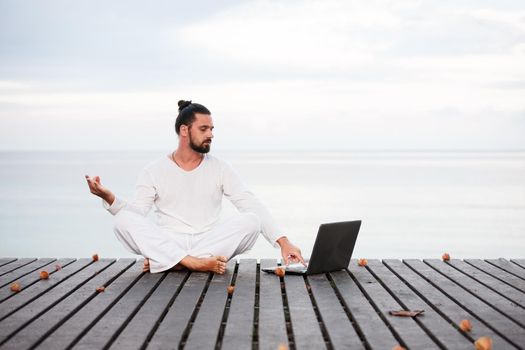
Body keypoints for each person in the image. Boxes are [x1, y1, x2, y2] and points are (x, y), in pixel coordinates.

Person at [85, 100, 305, 274]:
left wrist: (283, 243)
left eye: (211, 129)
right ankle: (192, 262)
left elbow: (250, 203)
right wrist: (109, 197)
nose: (210, 134)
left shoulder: (220, 168)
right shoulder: (153, 170)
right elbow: (137, 215)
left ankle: (175, 262)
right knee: (122, 220)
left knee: (251, 221)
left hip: (209, 242)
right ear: (184, 130)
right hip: (169, 239)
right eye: (203, 129)